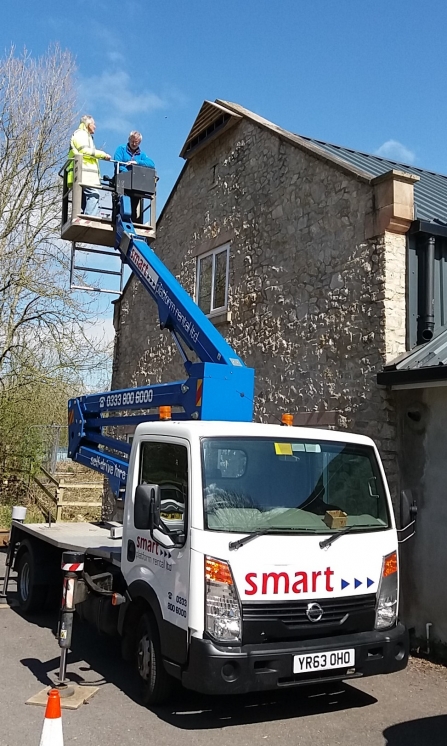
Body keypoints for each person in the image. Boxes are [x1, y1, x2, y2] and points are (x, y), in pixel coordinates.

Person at [67, 115, 111, 216]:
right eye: (93, 124)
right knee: (93, 194)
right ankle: (89, 218)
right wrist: (103, 155)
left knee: (83, 199)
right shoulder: (81, 134)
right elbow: (84, 150)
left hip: (84, 173)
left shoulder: (85, 135)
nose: (95, 126)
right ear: (87, 124)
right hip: (84, 173)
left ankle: (84, 216)